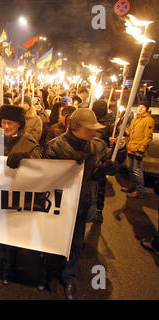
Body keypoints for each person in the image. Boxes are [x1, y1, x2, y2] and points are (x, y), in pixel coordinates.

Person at [44, 108, 125, 300]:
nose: (94, 132)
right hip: (58, 205)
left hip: (81, 204)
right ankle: (49, 272)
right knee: (54, 241)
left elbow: (94, 175)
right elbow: (45, 178)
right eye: (89, 128)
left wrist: (106, 168)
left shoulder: (92, 146)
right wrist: (67, 166)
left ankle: (69, 278)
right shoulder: (54, 146)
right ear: (75, 127)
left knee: (76, 244)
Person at [0, 105, 42, 284]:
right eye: (3, 122)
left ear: (19, 124)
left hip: (17, 196)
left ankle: (10, 265)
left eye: (10, 123)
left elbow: (40, 168)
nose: (5, 126)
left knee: (12, 232)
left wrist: (25, 157)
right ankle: (1, 258)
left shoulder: (29, 144)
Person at [121, 104, 155, 198]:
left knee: (137, 170)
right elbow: (131, 132)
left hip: (138, 150)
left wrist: (141, 150)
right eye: (139, 106)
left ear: (147, 109)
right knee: (130, 168)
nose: (140, 108)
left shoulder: (149, 120)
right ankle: (133, 186)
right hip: (131, 148)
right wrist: (125, 132)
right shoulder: (136, 118)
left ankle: (139, 191)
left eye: (143, 107)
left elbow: (148, 137)